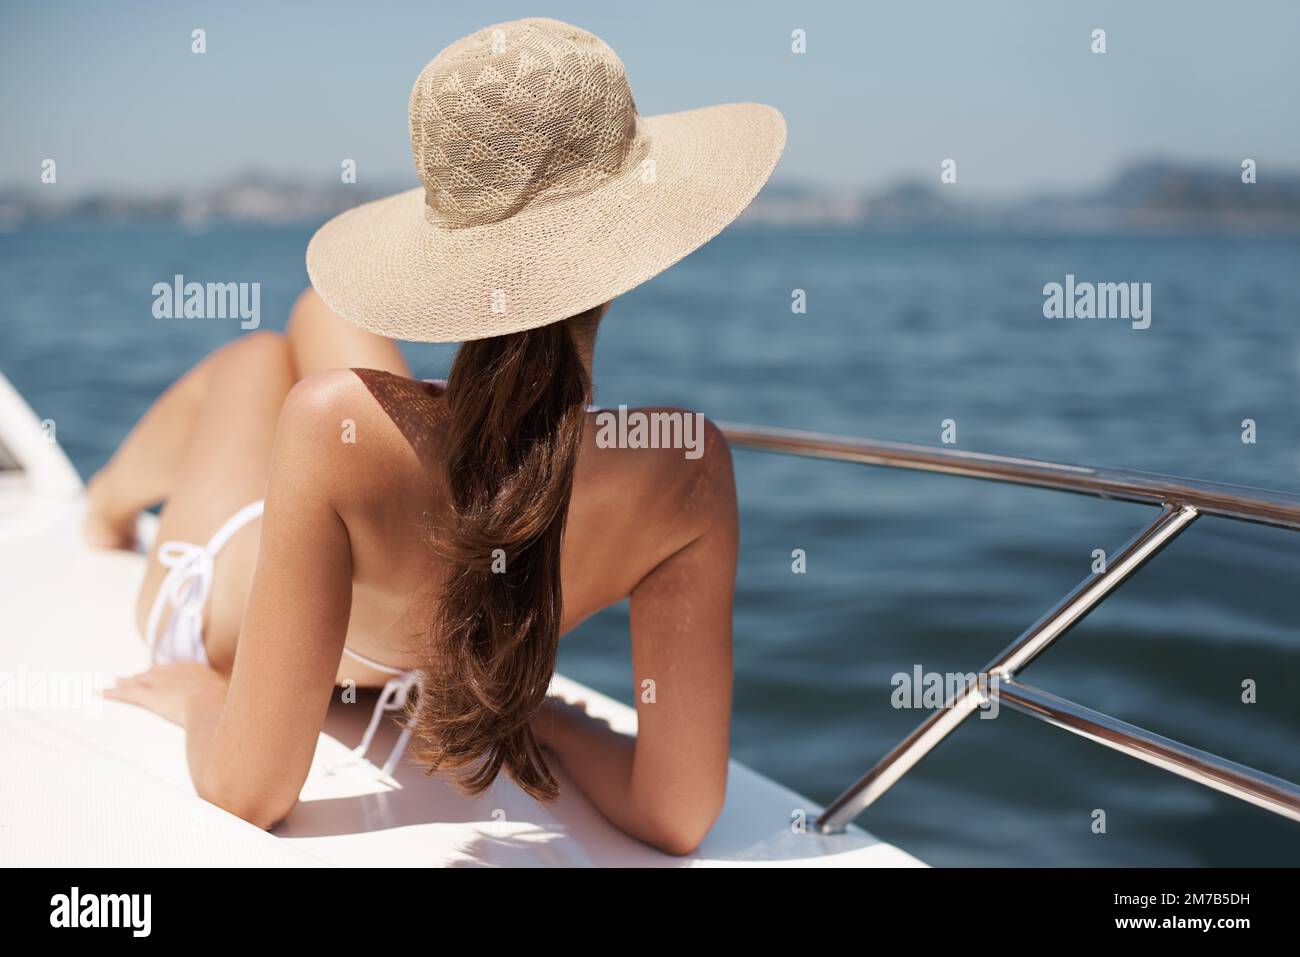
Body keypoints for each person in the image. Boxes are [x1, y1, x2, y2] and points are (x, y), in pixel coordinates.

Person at [94, 16, 785, 856]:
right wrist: (541, 720)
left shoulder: (332, 429)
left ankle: (104, 509)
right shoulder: (685, 464)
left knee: (252, 360)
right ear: (630, 251)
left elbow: (250, 792)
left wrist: (203, 696)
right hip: (358, 602)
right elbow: (676, 815)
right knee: (319, 320)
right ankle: (106, 507)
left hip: (217, 604)